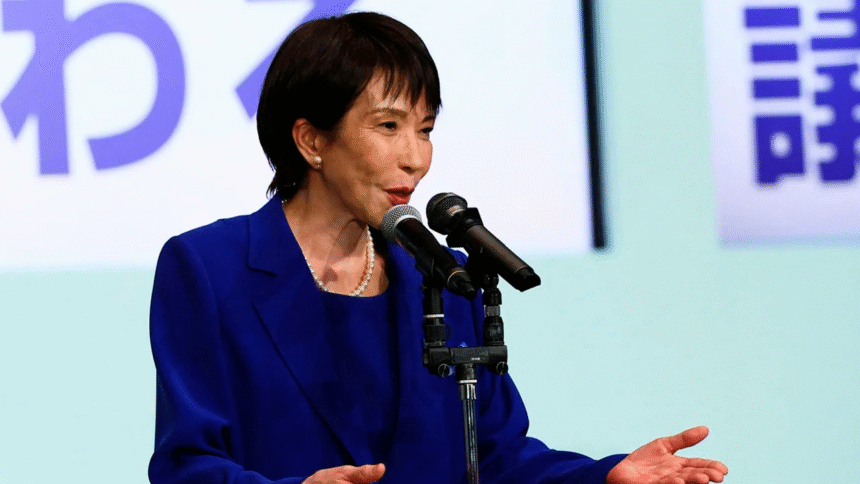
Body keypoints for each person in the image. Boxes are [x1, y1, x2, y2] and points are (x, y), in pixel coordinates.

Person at [148, 11, 729, 484]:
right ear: (311, 139)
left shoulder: (446, 278)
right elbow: (185, 466)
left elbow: (496, 458)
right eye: (388, 126)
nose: (416, 157)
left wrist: (604, 479)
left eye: (425, 128)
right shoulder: (209, 269)